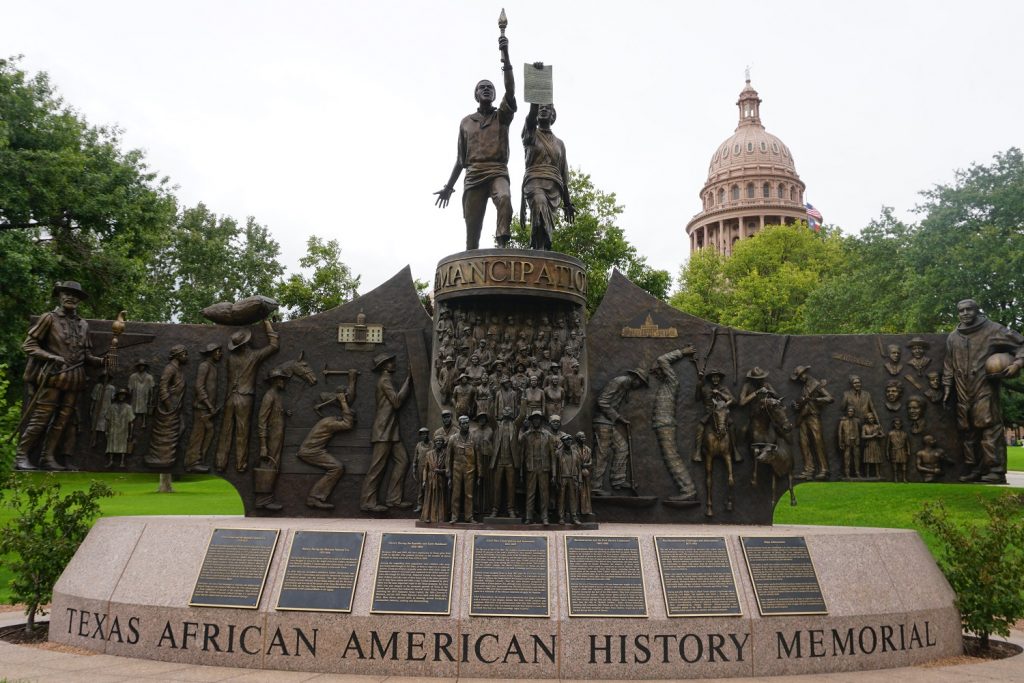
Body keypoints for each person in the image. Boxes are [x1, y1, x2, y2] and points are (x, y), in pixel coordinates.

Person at [434, 33, 517, 249]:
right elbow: (461, 160)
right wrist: (448, 187)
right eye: (482, 87)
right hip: (473, 176)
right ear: (476, 95)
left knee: (505, 198)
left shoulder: (503, 116)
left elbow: (510, 90)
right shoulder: (465, 123)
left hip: (497, 170)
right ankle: (471, 264)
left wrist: (505, 56)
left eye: (490, 87)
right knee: (472, 231)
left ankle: (502, 243)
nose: (487, 89)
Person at [16, 281, 105, 471]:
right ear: (60, 295)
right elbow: (29, 346)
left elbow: (86, 356)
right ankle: (21, 455)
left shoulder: (83, 324)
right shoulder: (48, 318)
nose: (71, 297)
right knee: (41, 417)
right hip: (53, 376)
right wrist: (51, 356)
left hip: (75, 378)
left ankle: (47, 457)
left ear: (79, 300)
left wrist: (100, 361)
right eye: (67, 293)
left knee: (62, 421)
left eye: (75, 295)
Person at [943, 299, 1024, 484]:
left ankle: (994, 470)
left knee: (989, 427)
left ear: (976, 311)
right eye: (961, 310)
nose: (964, 313)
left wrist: (1017, 364)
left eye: (968, 309)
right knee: (967, 431)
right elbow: (948, 364)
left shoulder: (993, 330)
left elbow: (1021, 345)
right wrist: (947, 386)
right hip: (962, 389)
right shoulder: (953, 337)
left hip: (984, 386)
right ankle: (974, 469)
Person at [214, 319, 279, 473]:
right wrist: (268, 324)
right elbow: (274, 346)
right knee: (242, 432)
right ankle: (241, 465)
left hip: (230, 398)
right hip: (245, 398)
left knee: (225, 432)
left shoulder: (231, 359)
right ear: (247, 343)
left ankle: (220, 463)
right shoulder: (254, 356)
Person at [521, 81, 575, 250]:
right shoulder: (530, 134)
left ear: (553, 116)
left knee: (545, 218)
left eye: (548, 108)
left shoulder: (560, 144)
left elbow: (564, 175)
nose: (543, 109)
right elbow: (530, 117)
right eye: (540, 108)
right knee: (539, 204)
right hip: (534, 181)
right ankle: (540, 251)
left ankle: (543, 250)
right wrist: (537, 84)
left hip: (554, 188)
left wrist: (568, 203)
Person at [361, 352, 413, 512]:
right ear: (383, 366)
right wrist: (408, 381)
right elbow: (397, 402)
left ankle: (393, 499)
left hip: (391, 430)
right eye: (389, 362)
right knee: (377, 467)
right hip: (383, 430)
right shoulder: (385, 380)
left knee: (402, 461)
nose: (393, 363)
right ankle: (368, 502)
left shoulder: (387, 379)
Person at [650, 347, 699, 502]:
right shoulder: (664, 385)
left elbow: (662, 359)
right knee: (669, 456)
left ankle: (688, 489)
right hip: (661, 424)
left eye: (656, 371)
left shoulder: (672, 382)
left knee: (672, 456)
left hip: (665, 424)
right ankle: (687, 488)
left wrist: (683, 352)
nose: (655, 373)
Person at [592, 368, 648, 494]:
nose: (639, 387)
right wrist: (619, 418)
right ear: (636, 378)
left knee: (622, 447)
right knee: (602, 454)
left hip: (608, 423)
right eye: (641, 383)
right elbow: (602, 401)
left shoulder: (626, 386)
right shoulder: (619, 381)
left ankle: (618, 480)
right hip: (602, 422)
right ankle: (595, 487)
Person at [297, 392, 355, 509]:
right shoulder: (329, 423)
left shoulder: (330, 420)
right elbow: (348, 424)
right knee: (337, 468)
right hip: (310, 452)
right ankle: (314, 498)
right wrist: (343, 402)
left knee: (337, 467)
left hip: (314, 450)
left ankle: (314, 497)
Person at [145, 345, 188, 468]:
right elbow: (163, 387)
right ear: (178, 355)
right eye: (185, 354)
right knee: (165, 434)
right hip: (169, 409)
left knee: (180, 428)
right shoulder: (170, 368)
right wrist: (170, 407)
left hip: (176, 406)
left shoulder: (177, 369)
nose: (187, 357)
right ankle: (160, 458)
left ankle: (167, 456)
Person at [254, 367, 291, 512]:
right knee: (268, 467)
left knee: (274, 467)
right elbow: (262, 421)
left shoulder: (276, 395)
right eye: (281, 379)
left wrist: (283, 413)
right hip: (270, 439)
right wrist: (263, 445)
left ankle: (266, 499)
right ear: (275, 381)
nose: (283, 382)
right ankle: (263, 500)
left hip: (277, 436)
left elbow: (274, 415)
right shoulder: (269, 396)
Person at [790, 365, 833, 481]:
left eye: (801, 375)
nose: (800, 378)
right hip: (803, 417)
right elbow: (801, 403)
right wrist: (797, 405)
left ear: (806, 373)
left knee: (818, 442)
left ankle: (824, 470)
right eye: (798, 377)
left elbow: (829, 398)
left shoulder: (816, 384)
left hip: (813, 417)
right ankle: (809, 470)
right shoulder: (805, 387)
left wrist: (815, 400)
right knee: (804, 443)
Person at [183, 343, 221, 473]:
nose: (220, 354)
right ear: (211, 353)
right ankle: (191, 462)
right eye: (218, 351)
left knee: (208, 432)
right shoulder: (204, 366)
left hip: (207, 408)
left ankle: (199, 459)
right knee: (197, 435)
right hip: (202, 407)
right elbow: (199, 387)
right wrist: (209, 405)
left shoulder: (213, 367)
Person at [520, 410, 555, 524]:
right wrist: (521, 471)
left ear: (541, 421)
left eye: (538, 418)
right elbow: (522, 454)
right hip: (531, 467)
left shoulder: (548, 435)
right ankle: (529, 516)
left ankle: (544, 517)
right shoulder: (526, 435)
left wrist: (553, 474)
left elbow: (552, 456)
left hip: (544, 468)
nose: (536, 420)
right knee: (530, 493)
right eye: (534, 418)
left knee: (544, 494)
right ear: (531, 421)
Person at [490, 406, 522, 518]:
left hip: (510, 462)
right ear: (501, 412)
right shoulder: (496, 426)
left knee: (511, 487)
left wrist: (523, 397)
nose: (507, 411)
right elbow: (490, 415)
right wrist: (490, 397)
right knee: (497, 487)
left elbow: (522, 415)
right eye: (505, 410)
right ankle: (495, 509)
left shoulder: (515, 426)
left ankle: (511, 509)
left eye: (509, 410)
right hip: (498, 461)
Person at [447, 415, 477, 523]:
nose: (466, 425)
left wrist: (480, 473)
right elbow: (448, 458)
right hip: (457, 470)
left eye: (467, 423)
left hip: (470, 469)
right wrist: (448, 473)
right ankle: (454, 517)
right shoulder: (452, 439)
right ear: (459, 425)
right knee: (456, 494)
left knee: (469, 494)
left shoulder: (473, 438)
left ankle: (469, 517)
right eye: (463, 423)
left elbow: (477, 456)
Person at [420, 434, 449, 524]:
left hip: (441, 479)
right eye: (437, 441)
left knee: (440, 498)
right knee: (429, 498)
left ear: (443, 443)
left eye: (440, 441)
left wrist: (441, 471)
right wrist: (424, 480)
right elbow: (425, 468)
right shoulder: (429, 454)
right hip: (430, 480)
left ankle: (441, 518)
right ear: (434, 443)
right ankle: (427, 516)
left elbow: (448, 469)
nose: (439, 442)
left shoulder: (446, 454)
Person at [553, 433, 582, 525]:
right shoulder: (558, 453)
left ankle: (574, 517)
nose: (568, 442)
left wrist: (580, 480)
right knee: (561, 499)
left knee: (573, 499)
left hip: (573, 478)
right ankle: (561, 517)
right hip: (562, 478)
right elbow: (554, 466)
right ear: (563, 442)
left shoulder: (576, 453)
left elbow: (579, 468)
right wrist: (554, 477)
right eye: (566, 440)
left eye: (570, 440)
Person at [105, 388, 135, 468]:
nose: (122, 396)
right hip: (113, 428)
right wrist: (106, 430)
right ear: (117, 396)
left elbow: (131, 422)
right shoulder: (111, 407)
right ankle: (111, 461)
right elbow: (107, 420)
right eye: (120, 395)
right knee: (111, 444)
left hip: (123, 429)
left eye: (123, 395)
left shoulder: (128, 408)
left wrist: (131, 434)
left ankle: (122, 461)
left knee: (122, 445)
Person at [128, 359, 155, 428]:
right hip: (135, 395)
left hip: (144, 395)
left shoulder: (149, 377)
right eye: (140, 366)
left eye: (143, 366)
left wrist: (151, 397)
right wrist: (129, 395)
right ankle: (131, 421)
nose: (141, 367)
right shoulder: (133, 376)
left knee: (144, 407)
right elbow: (130, 387)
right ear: (138, 366)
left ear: (145, 367)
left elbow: (152, 388)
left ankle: (144, 422)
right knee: (134, 407)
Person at [837, 406, 861, 480]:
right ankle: (847, 473)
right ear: (847, 412)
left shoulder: (857, 421)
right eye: (849, 411)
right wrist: (840, 442)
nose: (850, 413)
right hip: (847, 441)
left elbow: (860, 430)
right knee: (847, 458)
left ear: (854, 412)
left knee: (857, 458)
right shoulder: (843, 421)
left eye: (852, 411)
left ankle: (857, 473)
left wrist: (858, 439)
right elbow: (840, 433)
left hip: (855, 441)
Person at [413, 427, 432, 514]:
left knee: (430, 486)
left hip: (431, 468)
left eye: (425, 433)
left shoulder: (432, 444)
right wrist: (414, 469)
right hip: (421, 468)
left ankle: (430, 505)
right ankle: (420, 505)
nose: (424, 435)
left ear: (428, 434)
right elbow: (415, 458)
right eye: (422, 434)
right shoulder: (418, 445)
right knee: (421, 486)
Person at [886, 419, 909, 483]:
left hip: (902, 450)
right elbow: (888, 445)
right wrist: (887, 452)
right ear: (894, 424)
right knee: (895, 465)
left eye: (899, 424)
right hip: (894, 450)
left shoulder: (904, 433)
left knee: (904, 464)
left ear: (901, 425)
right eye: (896, 424)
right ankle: (895, 478)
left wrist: (908, 451)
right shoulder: (891, 433)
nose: (897, 425)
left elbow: (907, 443)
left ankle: (904, 478)